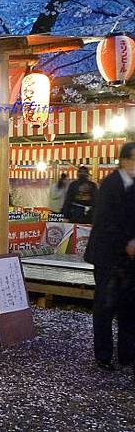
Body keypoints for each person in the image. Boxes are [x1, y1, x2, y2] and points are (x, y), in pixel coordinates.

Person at [84, 142, 135, 371]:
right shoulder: (110, 185)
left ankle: (127, 354)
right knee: (105, 306)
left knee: (128, 306)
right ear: (124, 161)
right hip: (107, 255)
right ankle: (103, 355)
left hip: (128, 257)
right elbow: (105, 223)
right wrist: (127, 243)